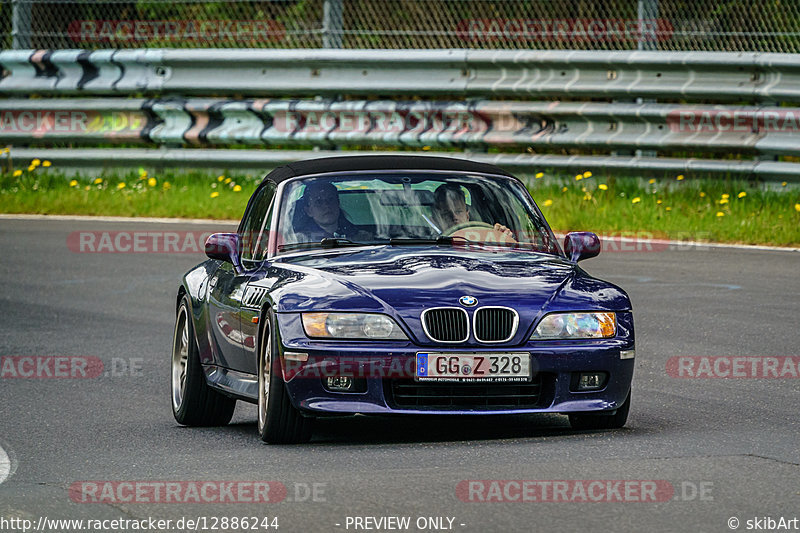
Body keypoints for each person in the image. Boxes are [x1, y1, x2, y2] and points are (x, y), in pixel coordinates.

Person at [431, 184, 513, 237]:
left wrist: (503, 236)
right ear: (436, 221)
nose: (454, 217)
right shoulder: (430, 246)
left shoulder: (484, 238)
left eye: (458, 212)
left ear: (467, 215)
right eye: (446, 214)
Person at [293, 181, 365, 242]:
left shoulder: (360, 237)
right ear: (309, 211)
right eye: (319, 202)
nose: (326, 205)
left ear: (338, 203)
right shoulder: (300, 240)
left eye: (330, 199)